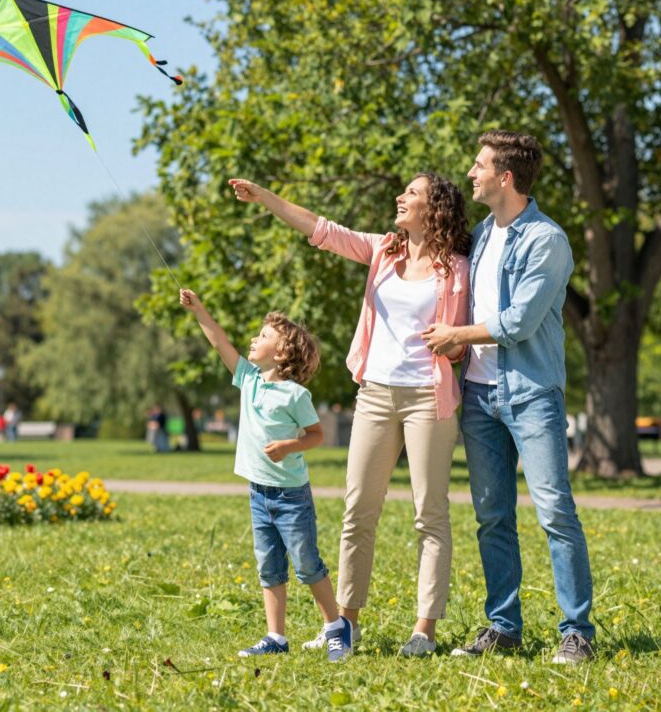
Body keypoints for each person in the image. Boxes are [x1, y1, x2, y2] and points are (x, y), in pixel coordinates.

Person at [230, 172, 470, 657]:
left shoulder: (458, 268)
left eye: (412, 193)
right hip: (377, 392)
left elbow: (463, 339)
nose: (401, 197)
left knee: (430, 514)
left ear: (435, 208)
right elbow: (321, 230)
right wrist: (264, 196)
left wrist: (454, 340)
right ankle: (347, 624)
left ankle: (424, 630)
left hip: (429, 396)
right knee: (358, 510)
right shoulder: (383, 251)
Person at [423, 129, 595, 663]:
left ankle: (577, 632)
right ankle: (503, 626)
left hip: (531, 393)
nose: (471, 173)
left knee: (554, 512)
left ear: (506, 176)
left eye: (479, 165)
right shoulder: (480, 235)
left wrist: (456, 337)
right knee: (492, 514)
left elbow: (518, 322)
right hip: (479, 395)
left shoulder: (547, 240)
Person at [178, 288, 353, 661]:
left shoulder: (294, 395)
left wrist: (289, 446)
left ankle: (336, 627)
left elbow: (317, 436)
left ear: (283, 352)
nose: (253, 339)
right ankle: (276, 637)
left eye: (263, 336)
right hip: (259, 494)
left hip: (291, 497)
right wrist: (199, 310)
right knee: (269, 567)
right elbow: (219, 341)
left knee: (307, 565)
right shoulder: (249, 380)